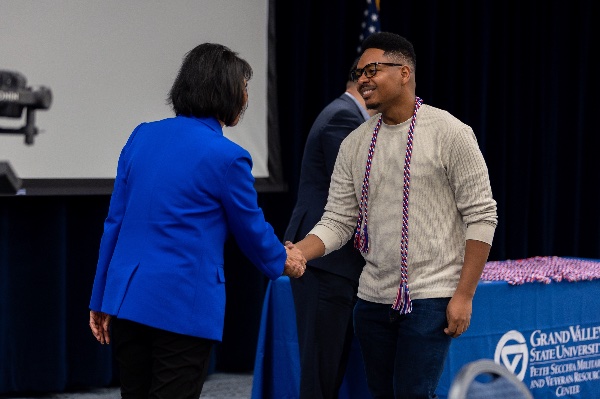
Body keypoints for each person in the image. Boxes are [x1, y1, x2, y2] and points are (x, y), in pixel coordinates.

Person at [88, 42, 306, 399]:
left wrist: (100, 299)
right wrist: (285, 261)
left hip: (127, 301)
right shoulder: (228, 156)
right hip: (181, 305)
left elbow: (114, 224)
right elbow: (251, 229)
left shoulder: (142, 135)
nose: (247, 98)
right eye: (244, 88)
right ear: (225, 91)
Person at [291, 32, 498, 399]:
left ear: (404, 72)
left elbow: (481, 215)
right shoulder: (355, 143)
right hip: (371, 301)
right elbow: (338, 220)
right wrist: (298, 253)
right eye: (358, 73)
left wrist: (464, 295)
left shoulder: (450, 132)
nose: (362, 80)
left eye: (372, 69)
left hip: (430, 299)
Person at [284, 58, 377, 399]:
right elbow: (361, 190)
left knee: (330, 367)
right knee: (321, 373)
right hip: (325, 261)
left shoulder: (347, 115)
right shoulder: (343, 117)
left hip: (334, 263)